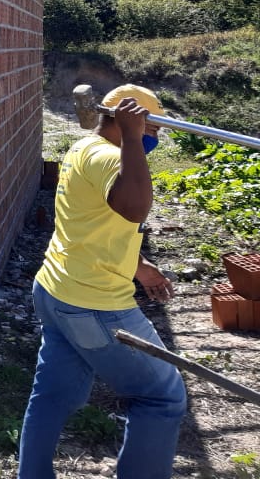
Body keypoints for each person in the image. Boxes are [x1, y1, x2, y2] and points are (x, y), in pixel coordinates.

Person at [18, 84, 187, 479]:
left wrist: (138, 264)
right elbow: (133, 208)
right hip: (94, 305)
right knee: (161, 396)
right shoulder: (111, 158)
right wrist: (131, 138)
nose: (155, 138)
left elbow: (93, 224)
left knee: (54, 396)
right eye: (153, 128)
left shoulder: (82, 148)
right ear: (130, 120)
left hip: (56, 290)